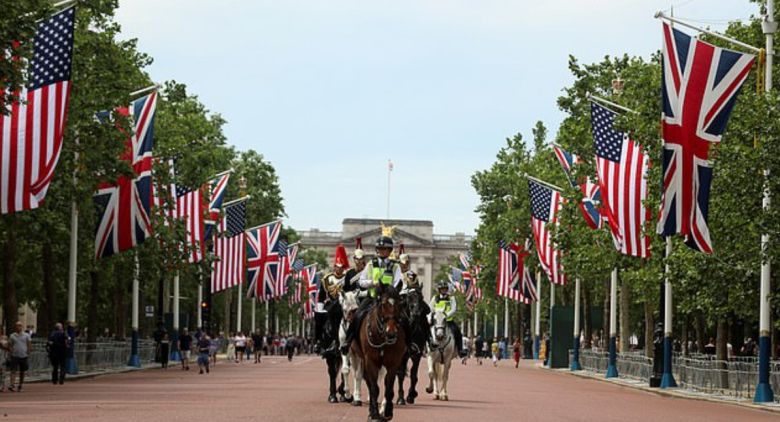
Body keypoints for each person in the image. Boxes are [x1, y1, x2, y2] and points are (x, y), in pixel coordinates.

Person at [341, 236, 404, 355]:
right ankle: (347, 341)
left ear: (389, 251)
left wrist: (390, 290)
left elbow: (398, 281)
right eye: (379, 249)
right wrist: (372, 283)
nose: (381, 251)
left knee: (404, 318)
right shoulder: (370, 264)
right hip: (372, 297)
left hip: (389, 299)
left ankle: (409, 345)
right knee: (357, 316)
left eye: (384, 249)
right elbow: (361, 282)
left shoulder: (395, 266)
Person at [316, 245, 349, 354]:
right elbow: (321, 295)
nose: (339, 269)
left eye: (341, 267)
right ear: (334, 267)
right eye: (337, 266)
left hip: (344, 304)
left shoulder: (347, 278)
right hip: (331, 304)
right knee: (318, 318)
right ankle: (318, 341)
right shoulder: (327, 278)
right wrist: (319, 308)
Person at [428, 280, 465, 358]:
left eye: (445, 289)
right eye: (442, 289)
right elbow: (430, 308)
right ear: (439, 290)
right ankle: (424, 347)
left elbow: (453, 309)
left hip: (448, 320)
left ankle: (460, 350)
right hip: (436, 321)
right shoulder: (435, 298)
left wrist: (446, 315)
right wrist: (431, 317)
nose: (443, 290)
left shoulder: (451, 298)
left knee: (458, 332)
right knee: (425, 330)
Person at [8, 321, 32, 392]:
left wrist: (28, 352)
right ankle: (12, 384)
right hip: (14, 355)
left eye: (19, 326)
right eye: (17, 326)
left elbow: (29, 344)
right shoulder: (12, 335)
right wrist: (10, 352)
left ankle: (20, 385)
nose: (18, 327)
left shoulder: (26, 335)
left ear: (22, 327)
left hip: (23, 355)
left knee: (22, 371)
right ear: (15, 327)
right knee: (13, 370)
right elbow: (10, 345)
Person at [0, 326, 9, 392]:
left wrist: (1, 345)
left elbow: (7, 347)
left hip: (2, 356)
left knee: (2, 371)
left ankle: (2, 386)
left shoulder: (4, 337)